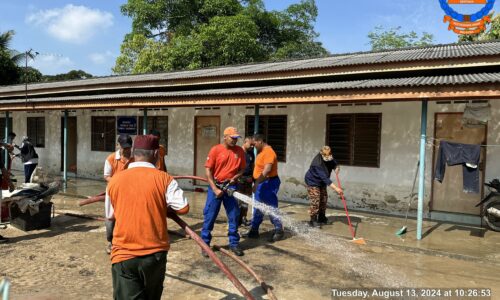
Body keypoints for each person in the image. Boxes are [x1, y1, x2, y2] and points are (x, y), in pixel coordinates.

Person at [105, 134, 188, 300]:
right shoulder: (165, 179)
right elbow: (183, 208)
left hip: (124, 255)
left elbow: (110, 215)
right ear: (157, 154)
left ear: (134, 152)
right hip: (155, 254)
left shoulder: (114, 181)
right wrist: (161, 204)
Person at [201, 127, 246, 257]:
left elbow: (242, 169)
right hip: (216, 186)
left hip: (231, 187)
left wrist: (234, 178)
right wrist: (215, 189)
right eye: (232, 138)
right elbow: (208, 171)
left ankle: (234, 244)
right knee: (210, 216)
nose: (235, 141)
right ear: (225, 137)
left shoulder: (239, 151)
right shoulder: (216, 150)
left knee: (234, 215)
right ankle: (205, 245)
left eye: (236, 138)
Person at [243, 134, 284, 242]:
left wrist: (256, 183)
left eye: (254, 144)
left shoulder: (268, 152)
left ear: (260, 141)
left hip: (268, 183)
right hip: (262, 183)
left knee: (271, 207)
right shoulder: (261, 151)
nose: (253, 146)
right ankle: (254, 230)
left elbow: (267, 170)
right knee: (258, 207)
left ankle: (279, 229)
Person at [103, 134, 133, 254]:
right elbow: (106, 176)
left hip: (130, 192)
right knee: (111, 217)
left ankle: (128, 241)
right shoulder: (110, 159)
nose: (126, 150)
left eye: (129, 148)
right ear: (118, 146)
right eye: (124, 148)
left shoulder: (135, 158)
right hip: (114, 192)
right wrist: (119, 183)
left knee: (129, 216)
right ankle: (110, 241)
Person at [304, 146, 343, 227]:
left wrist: (336, 168)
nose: (328, 158)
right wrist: (336, 188)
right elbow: (325, 178)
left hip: (322, 182)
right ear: (322, 154)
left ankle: (321, 218)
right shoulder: (317, 163)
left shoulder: (329, 156)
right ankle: (313, 220)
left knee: (324, 199)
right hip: (313, 181)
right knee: (316, 200)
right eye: (326, 157)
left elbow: (335, 163)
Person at [237, 136, 254, 227]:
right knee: (238, 201)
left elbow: (253, 165)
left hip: (248, 180)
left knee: (246, 201)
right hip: (240, 180)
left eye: (253, 145)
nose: (252, 147)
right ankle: (236, 220)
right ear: (245, 142)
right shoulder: (239, 152)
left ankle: (243, 218)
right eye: (250, 145)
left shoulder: (251, 153)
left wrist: (253, 178)